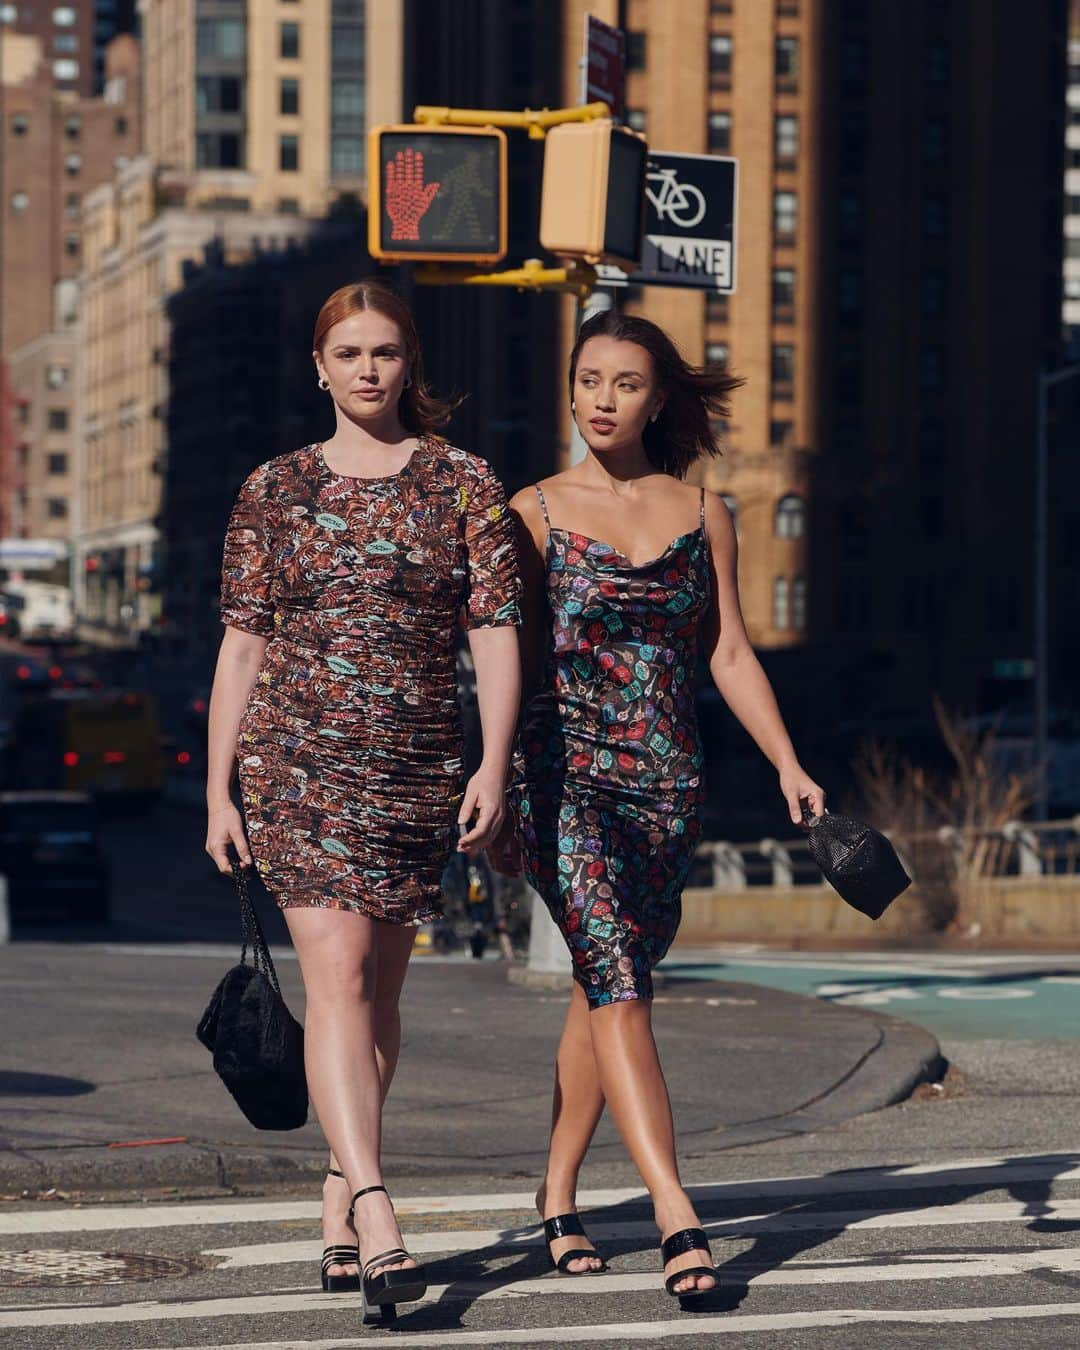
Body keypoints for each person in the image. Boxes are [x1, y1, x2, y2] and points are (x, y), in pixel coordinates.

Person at [205, 279, 521, 1322]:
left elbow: (495, 633)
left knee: (381, 1000)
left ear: (409, 362)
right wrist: (219, 789)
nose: (370, 370)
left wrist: (491, 761)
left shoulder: (464, 483)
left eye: (386, 352)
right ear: (320, 367)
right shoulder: (274, 488)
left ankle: (338, 1191)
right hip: (296, 767)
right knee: (336, 981)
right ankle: (381, 1213)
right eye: (350, 354)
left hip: (417, 767)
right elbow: (244, 640)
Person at [495, 310, 825, 1305]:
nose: (601, 399)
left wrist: (788, 765)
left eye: (624, 383)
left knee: (606, 985)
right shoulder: (533, 513)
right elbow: (500, 664)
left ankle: (555, 1195)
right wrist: (493, 783)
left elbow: (726, 653)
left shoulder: (703, 510)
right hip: (569, 783)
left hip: (671, 786)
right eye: (587, 379)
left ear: (657, 397)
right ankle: (677, 1210)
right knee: (624, 990)